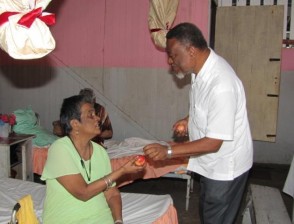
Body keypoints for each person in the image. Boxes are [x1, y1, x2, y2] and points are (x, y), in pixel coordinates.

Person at [143, 22, 253, 224]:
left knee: (215, 217)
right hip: (209, 163)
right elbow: (205, 106)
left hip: (225, 167)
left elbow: (213, 142)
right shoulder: (200, 70)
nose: (170, 60)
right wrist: (188, 119)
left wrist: (168, 151)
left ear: (191, 51)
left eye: (173, 54)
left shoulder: (221, 84)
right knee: (207, 211)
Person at [41, 95, 145, 224]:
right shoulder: (59, 149)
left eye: (95, 114)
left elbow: (111, 193)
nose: (98, 118)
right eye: (91, 115)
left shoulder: (100, 152)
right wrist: (122, 170)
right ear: (75, 124)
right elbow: (83, 193)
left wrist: (118, 220)